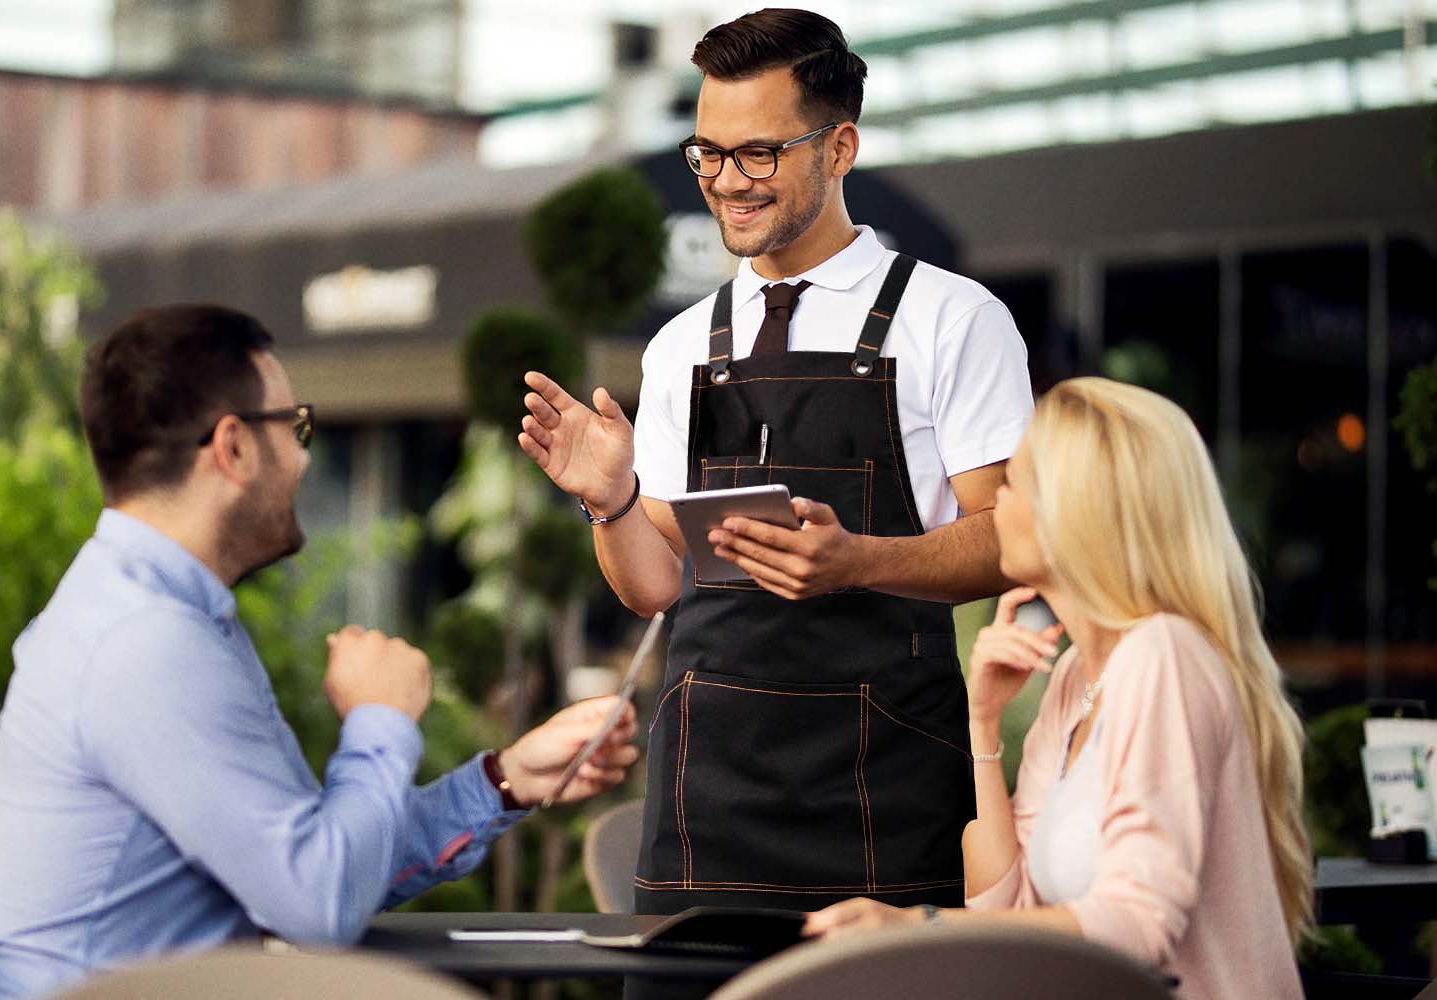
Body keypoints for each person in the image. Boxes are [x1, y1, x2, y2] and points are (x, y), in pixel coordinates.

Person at [0, 305, 640, 1000]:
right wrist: (380, 716)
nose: (306, 455)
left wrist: (502, 779)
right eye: (294, 425)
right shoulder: (144, 643)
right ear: (234, 448)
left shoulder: (160, 616)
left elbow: (323, 862)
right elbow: (320, 904)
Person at [518, 8, 1033, 916]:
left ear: (839, 148)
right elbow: (655, 585)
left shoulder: (953, 319)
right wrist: (611, 499)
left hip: (885, 782)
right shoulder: (681, 345)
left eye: (758, 154)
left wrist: (859, 562)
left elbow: (1012, 543)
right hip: (705, 796)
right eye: (708, 154)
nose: (727, 183)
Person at [805, 378, 1311, 1000]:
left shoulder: (1164, 655)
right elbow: (1003, 908)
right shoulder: (1080, 676)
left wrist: (919, 925)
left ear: (1072, 512)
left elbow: (1138, 922)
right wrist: (981, 722)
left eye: (1014, 482)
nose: (992, 504)